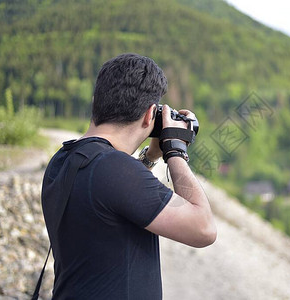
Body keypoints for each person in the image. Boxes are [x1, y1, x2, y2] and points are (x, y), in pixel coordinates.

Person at [41, 53, 217, 299]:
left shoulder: (63, 159)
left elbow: (115, 199)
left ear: (95, 103)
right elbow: (204, 229)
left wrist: (151, 156)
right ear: (149, 115)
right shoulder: (112, 170)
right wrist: (175, 150)